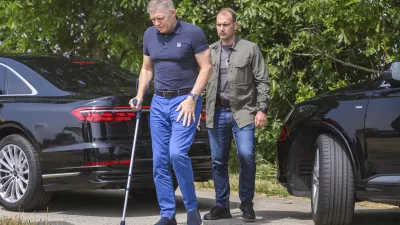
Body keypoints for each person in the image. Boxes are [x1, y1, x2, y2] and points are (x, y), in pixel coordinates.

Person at [129, 0, 211, 225]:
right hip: (158, 102)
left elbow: (206, 67)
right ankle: (167, 214)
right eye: (153, 20)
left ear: (173, 13)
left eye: (160, 19)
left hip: (185, 101)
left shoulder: (192, 33)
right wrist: (139, 94)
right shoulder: (149, 35)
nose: (157, 24)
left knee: (177, 154)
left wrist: (193, 98)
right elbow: (147, 69)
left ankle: (192, 210)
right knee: (160, 161)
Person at [201, 8, 270, 222]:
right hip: (216, 112)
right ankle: (222, 206)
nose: (221, 28)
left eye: (226, 24)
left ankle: (247, 204)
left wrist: (262, 109)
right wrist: (196, 111)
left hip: (244, 112)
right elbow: (202, 84)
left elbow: (262, 80)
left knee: (247, 156)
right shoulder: (210, 51)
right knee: (218, 162)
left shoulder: (250, 49)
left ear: (235, 26)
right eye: (219, 25)